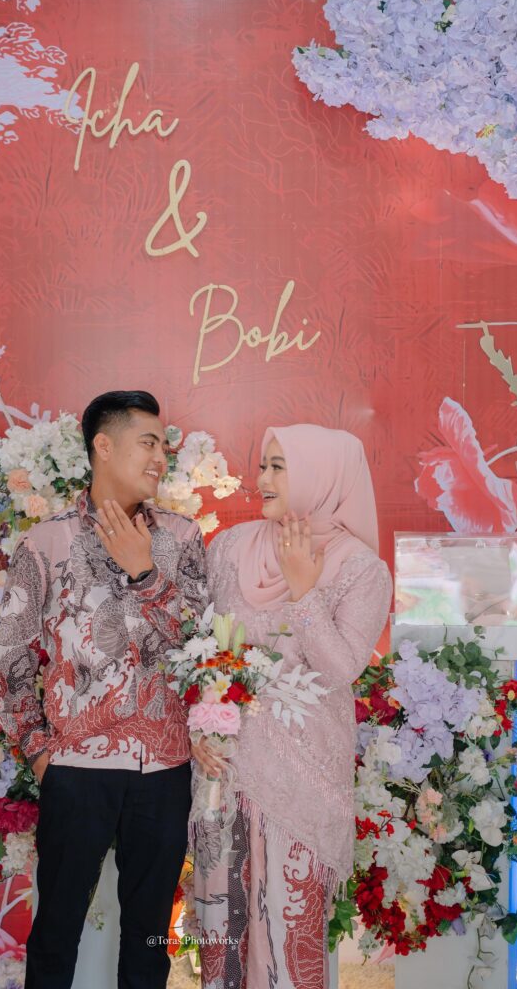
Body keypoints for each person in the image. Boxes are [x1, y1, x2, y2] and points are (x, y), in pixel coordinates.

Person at [0, 390, 208, 989]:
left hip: (164, 766)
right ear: (103, 447)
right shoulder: (46, 543)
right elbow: (8, 655)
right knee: (56, 932)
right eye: (148, 443)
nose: (160, 458)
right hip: (76, 767)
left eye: (164, 446)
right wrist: (40, 750)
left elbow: (204, 647)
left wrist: (145, 573)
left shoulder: (182, 538)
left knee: (150, 938)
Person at [192, 424, 392, 989]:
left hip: (301, 783)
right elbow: (203, 647)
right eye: (263, 465)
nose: (261, 479)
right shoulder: (230, 547)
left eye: (278, 467)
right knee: (220, 931)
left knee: (288, 931)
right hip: (224, 771)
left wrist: (305, 591)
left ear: (321, 476)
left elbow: (340, 669)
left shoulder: (360, 568)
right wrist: (199, 727)